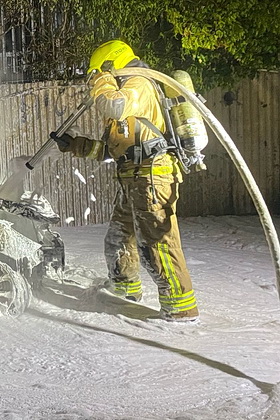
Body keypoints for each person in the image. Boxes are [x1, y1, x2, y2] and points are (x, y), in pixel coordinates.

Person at [51, 40, 199, 322]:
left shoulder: (139, 83)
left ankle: (181, 307)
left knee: (157, 244)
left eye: (98, 72)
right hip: (132, 177)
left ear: (110, 66)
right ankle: (124, 289)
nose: (94, 79)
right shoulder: (126, 91)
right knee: (119, 239)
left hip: (151, 178)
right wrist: (75, 145)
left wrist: (102, 80)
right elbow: (112, 150)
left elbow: (114, 105)